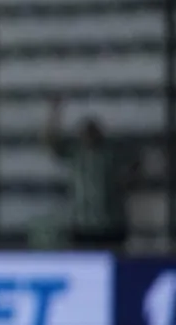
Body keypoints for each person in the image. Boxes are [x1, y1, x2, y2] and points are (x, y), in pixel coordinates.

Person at [42, 97, 139, 251]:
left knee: (114, 259)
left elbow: (136, 160)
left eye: (93, 131)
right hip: (82, 224)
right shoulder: (75, 152)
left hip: (111, 223)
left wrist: (130, 179)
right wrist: (55, 112)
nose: (89, 135)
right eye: (86, 132)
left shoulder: (112, 151)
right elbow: (51, 142)